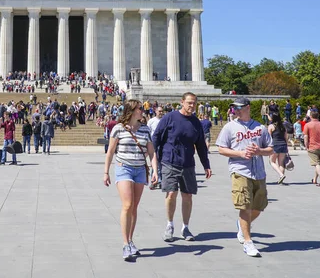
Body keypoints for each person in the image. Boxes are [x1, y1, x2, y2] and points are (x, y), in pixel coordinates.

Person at [216, 97, 273, 257]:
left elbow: (270, 149)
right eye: (234, 108)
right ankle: (248, 242)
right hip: (240, 170)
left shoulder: (260, 127)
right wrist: (240, 153)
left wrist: (259, 151)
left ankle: (242, 225)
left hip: (259, 172)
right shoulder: (229, 127)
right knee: (244, 207)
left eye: (239, 108)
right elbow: (221, 149)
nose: (236, 111)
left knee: (258, 207)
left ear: (247, 107)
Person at [152, 92, 212, 243]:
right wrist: (153, 159)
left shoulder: (196, 122)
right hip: (169, 161)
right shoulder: (170, 118)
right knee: (171, 193)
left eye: (194, 103)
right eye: (189, 103)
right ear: (182, 102)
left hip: (188, 163)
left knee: (187, 196)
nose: (192, 106)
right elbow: (156, 137)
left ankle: (185, 227)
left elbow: (200, 146)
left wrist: (206, 165)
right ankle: (169, 225)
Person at [104, 99, 158, 261]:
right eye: (140, 108)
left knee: (134, 207)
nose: (143, 110)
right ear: (132, 110)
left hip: (140, 169)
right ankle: (125, 243)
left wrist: (155, 170)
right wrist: (105, 172)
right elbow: (110, 152)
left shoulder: (145, 129)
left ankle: (131, 239)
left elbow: (151, 152)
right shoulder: (118, 129)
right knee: (127, 205)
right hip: (124, 168)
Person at [303, 109, 320, 187]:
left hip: (312, 146)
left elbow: (305, 136)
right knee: (318, 164)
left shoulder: (308, 125)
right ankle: (315, 179)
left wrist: (306, 146)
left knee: (317, 164)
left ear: (311, 116)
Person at [268, 113, 289, 184]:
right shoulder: (283, 126)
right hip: (283, 144)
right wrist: (286, 145)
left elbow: (269, 137)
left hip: (275, 145)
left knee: (272, 161)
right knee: (281, 163)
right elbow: (286, 137)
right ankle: (281, 180)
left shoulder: (271, 126)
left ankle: (281, 175)